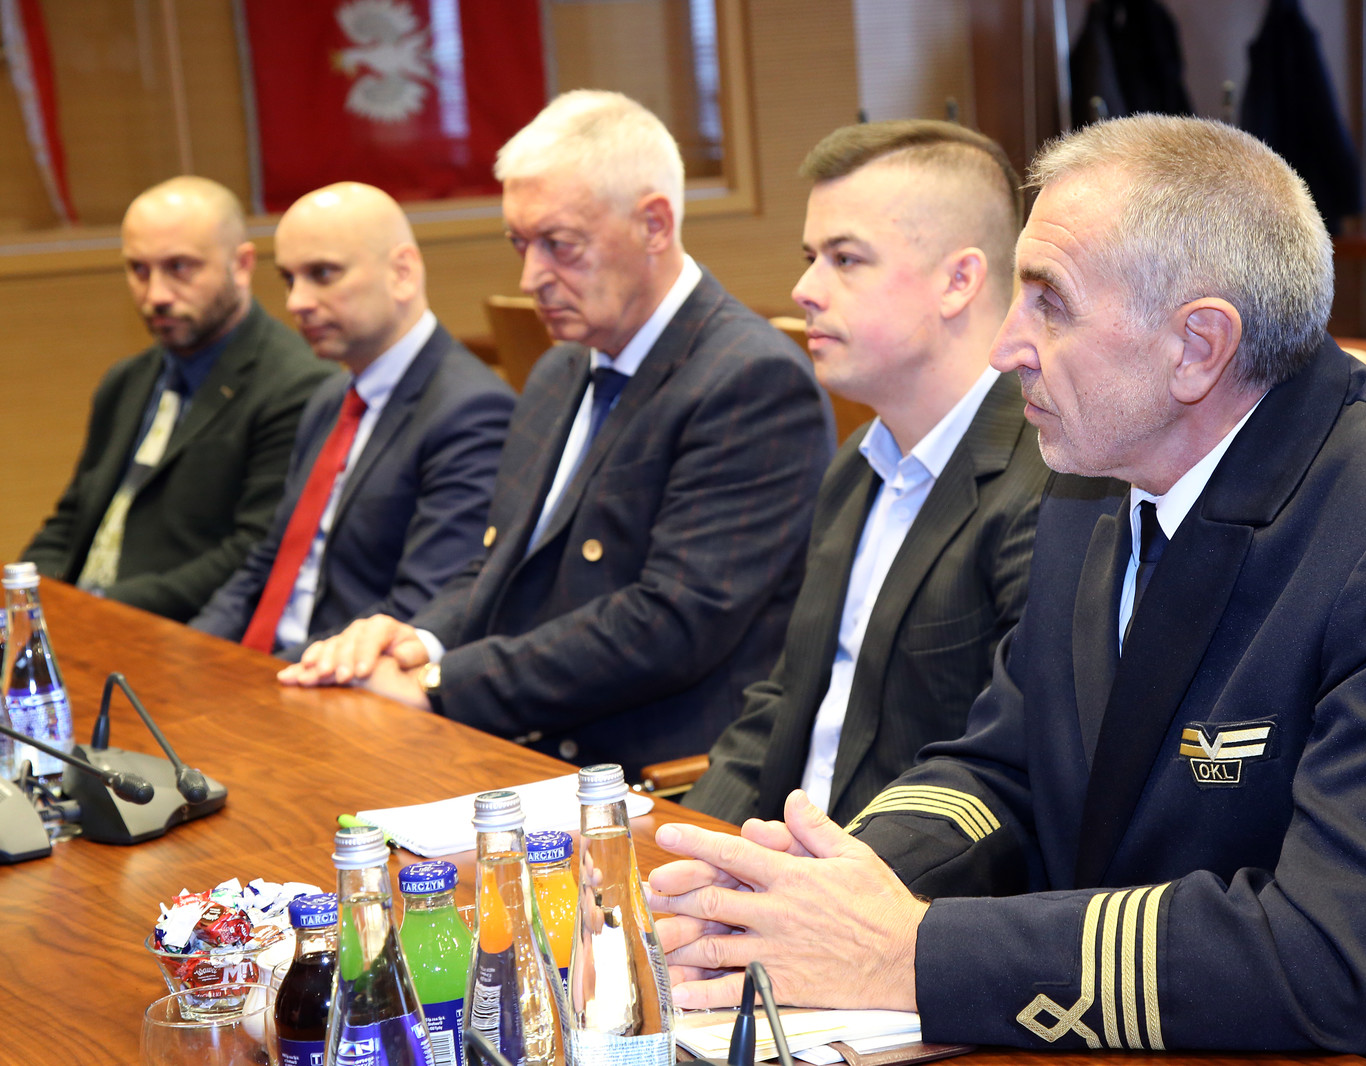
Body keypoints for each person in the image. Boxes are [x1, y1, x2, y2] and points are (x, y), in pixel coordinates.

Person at [647, 115, 1366, 1063]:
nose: (1005, 346)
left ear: (1198, 346)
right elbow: (1007, 768)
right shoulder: (1096, 474)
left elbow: (1331, 958)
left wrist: (912, 952)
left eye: (1049, 304)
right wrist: (826, 885)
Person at [278, 91, 834, 779]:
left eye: (559, 245)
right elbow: (500, 561)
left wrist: (439, 686)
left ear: (654, 225)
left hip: (652, 774)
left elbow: (668, 625)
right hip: (528, 736)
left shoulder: (750, 380)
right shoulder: (560, 367)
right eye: (520, 244)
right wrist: (419, 639)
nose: (531, 277)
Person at [683, 121, 1062, 828]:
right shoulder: (858, 462)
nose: (804, 289)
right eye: (810, 258)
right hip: (784, 861)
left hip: (901, 877)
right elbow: (785, 703)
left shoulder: (1047, 484)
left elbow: (1008, 775)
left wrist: (812, 879)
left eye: (845, 259)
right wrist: (685, 850)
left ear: (958, 281)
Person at [191, 183, 514, 659]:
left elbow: (419, 609)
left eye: (323, 274)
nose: (297, 302)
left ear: (402, 273)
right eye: (289, 279)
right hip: (269, 666)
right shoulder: (330, 398)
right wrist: (192, 654)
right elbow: (270, 562)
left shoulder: (472, 411)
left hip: (344, 677)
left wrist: (259, 676)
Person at [22, 176, 332, 621]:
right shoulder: (126, 381)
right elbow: (72, 520)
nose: (156, 295)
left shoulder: (297, 386)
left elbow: (254, 553)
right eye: (139, 270)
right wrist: (26, 601)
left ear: (241, 265)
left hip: (178, 631)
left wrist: (97, 610)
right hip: (82, 620)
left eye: (180, 267)